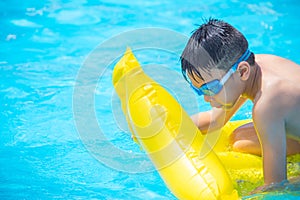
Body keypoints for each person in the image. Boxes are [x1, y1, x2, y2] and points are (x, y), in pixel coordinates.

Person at [180, 18, 300, 190]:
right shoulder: (253, 66)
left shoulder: (267, 104)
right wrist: (169, 128)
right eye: (199, 90)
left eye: (210, 88)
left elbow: (276, 184)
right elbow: (215, 120)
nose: (206, 98)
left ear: (242, 71)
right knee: (241, 140)